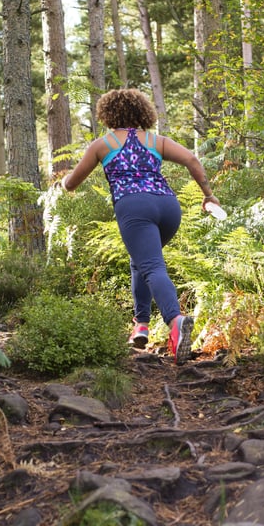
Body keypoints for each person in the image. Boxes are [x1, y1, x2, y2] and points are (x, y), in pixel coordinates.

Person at [60, 89, 221, 364]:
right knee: (142, 261)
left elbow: (72, 183)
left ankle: (175, 319)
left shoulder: (103, 144)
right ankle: (141, 326)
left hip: (134, 207)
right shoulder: (156, 141)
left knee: (151, 266)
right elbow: (192, 160)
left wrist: (62, 184)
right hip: (168, 207)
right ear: (143, 113)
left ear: (108, 114)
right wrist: (208, 194)